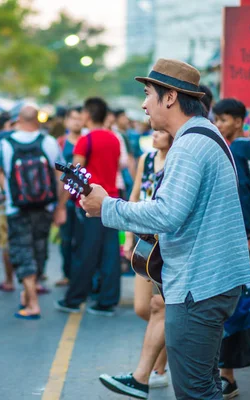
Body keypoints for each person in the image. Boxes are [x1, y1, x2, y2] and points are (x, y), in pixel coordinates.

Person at [80, 59, 250, 400]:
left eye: (148, 94)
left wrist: (107, 207)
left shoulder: (189, 144)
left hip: (199, 286)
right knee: (203, 386)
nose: (143, 104)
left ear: (170, 97)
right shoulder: (201, 135)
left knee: (195, 391)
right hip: (211, 281)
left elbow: (167, 214)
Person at [99, 129, 173, 399]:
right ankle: (158, 362)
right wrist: (128, 236)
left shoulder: (179, 158)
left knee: (160, 307)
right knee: (144, 308)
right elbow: (135, 194)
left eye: (160, 132)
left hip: (167, 245)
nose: (154, 135)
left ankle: (158, 371)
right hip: (145, 242)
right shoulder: (147, 158)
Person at [0, 103, 66, 319]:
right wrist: (59, 206)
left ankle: (31, 302)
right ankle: (30, 292)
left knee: (22, 252)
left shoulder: (5, 144)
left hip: (16, 208)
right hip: (44, 207)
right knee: (39, 251)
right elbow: (63, 176)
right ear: (38, 120)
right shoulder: (49, 142)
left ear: (17, 120)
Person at [213, 98, 250, 398]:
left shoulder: (237, 149)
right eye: (217, 119)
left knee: (227, 305)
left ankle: (227, 376)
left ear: (237, 121)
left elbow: (243, 196)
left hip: (235, 236)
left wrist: (244, 233)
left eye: (223, 119)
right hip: (244, 232)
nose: (219, 125)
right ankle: (224, 374)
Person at [55, 97, 123, 317]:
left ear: (88, 115)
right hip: (112, 202)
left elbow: (74, 175)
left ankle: (74, 299)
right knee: (110, 253)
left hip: (90, 204)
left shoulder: (85, 141)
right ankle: (107, 300)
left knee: (85, 252)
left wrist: (61, 204)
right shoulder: (114, 139)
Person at [56, 107, 84, 287]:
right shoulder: (60, 143)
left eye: (79, 118)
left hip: (82, 200)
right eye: (73, 118)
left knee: (81, 240)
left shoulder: (87, 142)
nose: (76, 122)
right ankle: (67, 274)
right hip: (64, 200)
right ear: (66, 121)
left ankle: (78, 275)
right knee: (65, 239)